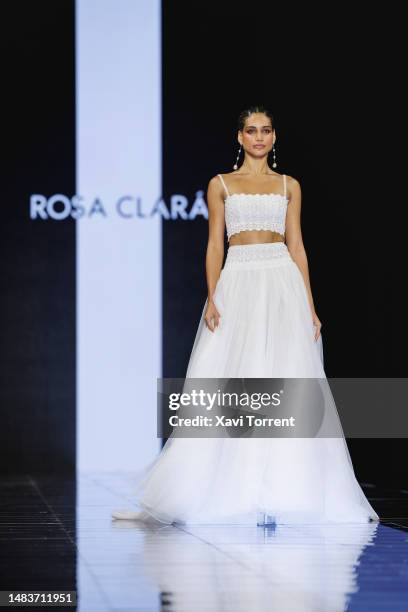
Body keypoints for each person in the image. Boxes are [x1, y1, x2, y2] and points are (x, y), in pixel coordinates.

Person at [112, 105, 379, 525]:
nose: (258, 137)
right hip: (237, 279)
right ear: (239, 137)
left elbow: (298, 246)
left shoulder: (290, 185)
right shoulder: (220, 184)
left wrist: (310, 304)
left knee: (289, 376)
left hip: (281, 281)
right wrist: (212, 295)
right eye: (251, 131)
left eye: (266, 130)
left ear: (274, 137)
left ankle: (288, 490)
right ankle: (215, 489)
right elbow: (215, 244)